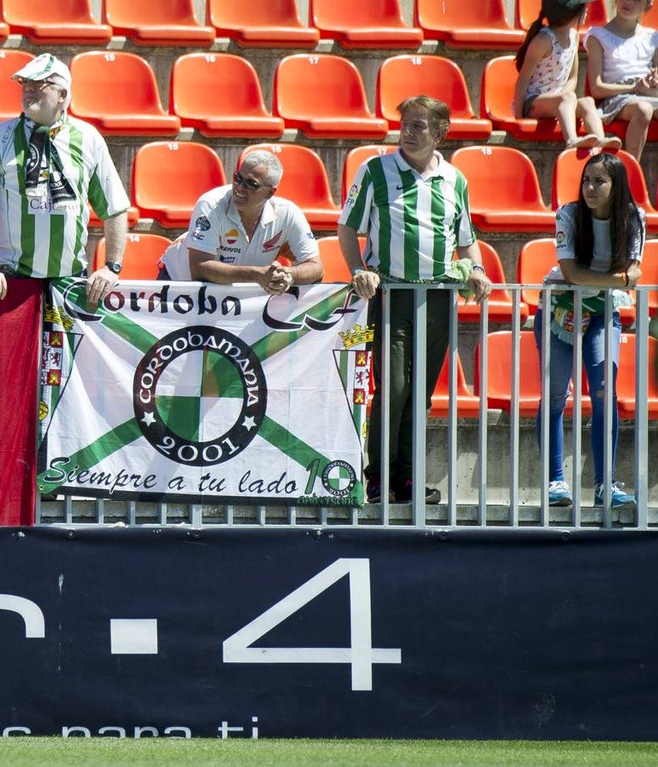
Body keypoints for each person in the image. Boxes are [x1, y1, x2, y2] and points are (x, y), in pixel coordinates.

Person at [337, 95, 493, 505]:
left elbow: (466, 240)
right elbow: (347, 228)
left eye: (419, 125)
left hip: (439, 296)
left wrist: (476, 269)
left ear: (440, 133)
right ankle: (377, 476)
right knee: (394, 387)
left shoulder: (455, 180)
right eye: (405, 123)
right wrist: (359, 271)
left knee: (420, 392)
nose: (407, 131)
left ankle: (405, 479)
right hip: (392, 293)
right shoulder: (375, 171)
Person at [0, 53, 130, 307]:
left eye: (39, 83)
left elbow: (114, 206)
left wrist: (112, 266)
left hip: (69, 283)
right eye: (25, 83)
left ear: (62, 94)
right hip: (10, 282)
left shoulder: (88, 138)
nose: (29, 89)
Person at [534, 152, 643, 508]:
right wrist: (615, 280)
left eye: (600, 181)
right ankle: (555, 482)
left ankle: (604, 484)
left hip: (602, 312)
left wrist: (609, 283)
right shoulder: (568, 214)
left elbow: (634, 272)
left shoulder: (633, 218)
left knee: (603, 392)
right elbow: (572, 274)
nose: (590, 188)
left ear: (616, 185)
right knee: (555, 396)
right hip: (560, 311)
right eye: (586, 180)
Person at [156, 149, 323, 293]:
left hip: (234, 292)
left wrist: (288, 275)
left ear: (270, 193)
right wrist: (256, 275)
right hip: (178, 282)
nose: (239, 187)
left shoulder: (288, 213)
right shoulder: (210, 204)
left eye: (251, 184)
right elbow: (200, 269)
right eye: (238, 178)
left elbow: (316, 268)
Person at [514, 0, 621, 150]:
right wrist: (519, 117)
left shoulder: (574, 36)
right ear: (572, 13)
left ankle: (601, 140)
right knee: (568, 97)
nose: (587, 11)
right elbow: (523, 80)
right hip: (532, 104)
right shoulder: (543, 40)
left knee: (587, 102)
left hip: (559, 102)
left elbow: (572, 77)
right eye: (584, 8)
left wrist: (565, 102)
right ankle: (571, 140)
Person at [585, 0, 658, 161]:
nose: (628, 3)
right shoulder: (597, 35)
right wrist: (633, 87)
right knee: (643, 109)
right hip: (616, 98)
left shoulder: (653, 37)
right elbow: (596, 89)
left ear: (648, 6)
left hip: (647, 94)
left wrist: (654, 81)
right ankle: (630, 175)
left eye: (637, 0)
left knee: (645, 105)